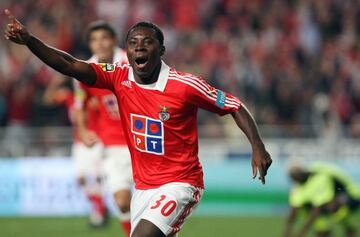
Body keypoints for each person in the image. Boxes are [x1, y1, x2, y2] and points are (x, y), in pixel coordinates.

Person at [4, 10, 272, 237]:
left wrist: (257, 145)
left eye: (147, 42)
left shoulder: (185, 86)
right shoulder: (118, 76)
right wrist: (30, 41)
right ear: (127, 50)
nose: (139, 48)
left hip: (181, 183)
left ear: (162, 49)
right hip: (143, 187)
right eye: (133, 43)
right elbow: (70, 65)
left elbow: (233, 105)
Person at [74, 20, 132, 235]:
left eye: (104, 38)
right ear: (90, 45)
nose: (100, 44)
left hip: (141, 141)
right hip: (112, 144)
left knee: (151, 206)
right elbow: (80, 105)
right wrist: (82, 130)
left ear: (114, 41)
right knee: (123, 202)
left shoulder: (132, 61)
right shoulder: (84, 71)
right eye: (94, 40)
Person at [284, 162, 360, 237]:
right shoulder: (298, 188)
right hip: (335, 196)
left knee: (333, 206)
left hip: (351, 194)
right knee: (306, 208)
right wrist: (287, 232)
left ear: (301, 173)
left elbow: (317, 209)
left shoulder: (319, 176)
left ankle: (349, 229)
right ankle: (323, 231)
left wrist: (301, 233)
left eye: (295, 175)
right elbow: (294, 211)